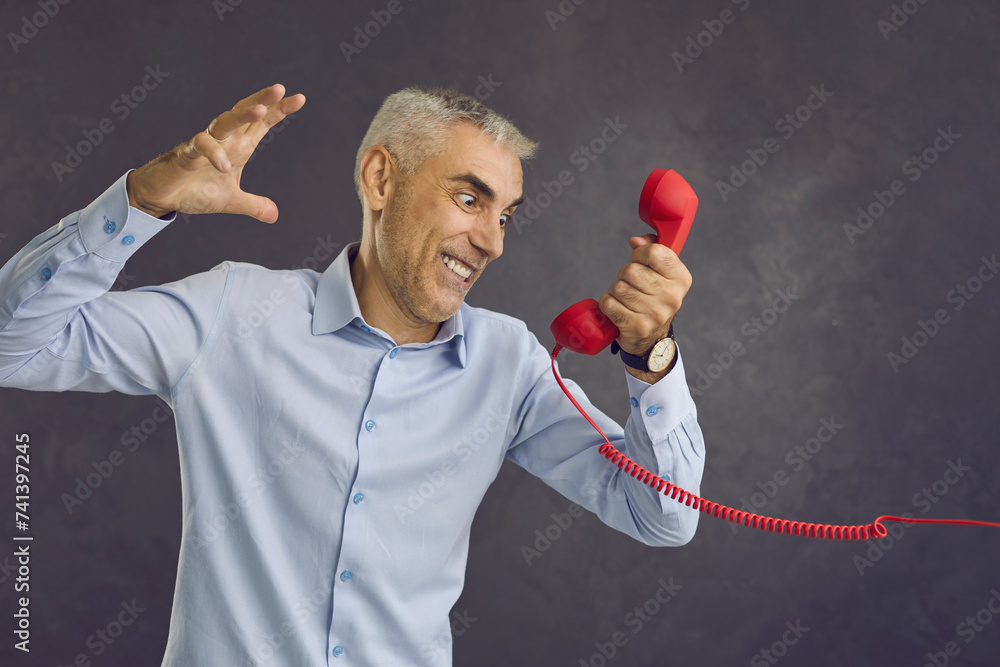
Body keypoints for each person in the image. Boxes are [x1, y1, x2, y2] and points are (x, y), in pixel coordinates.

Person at [0, 83, 705, 666]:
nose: (491, 241)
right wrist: (141, 201)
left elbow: (663, 515)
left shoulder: (510, 365)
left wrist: (651, 354)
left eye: (505, 216)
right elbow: (14, 346)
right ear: (381, 179)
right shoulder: (232, 312)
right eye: (469, 200)